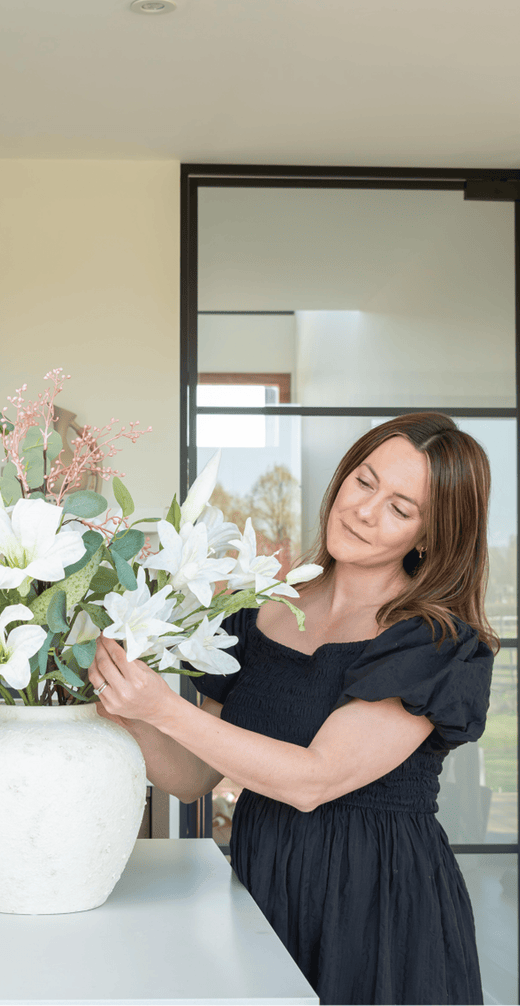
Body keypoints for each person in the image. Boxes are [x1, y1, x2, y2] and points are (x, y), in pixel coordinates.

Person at [89, 412, 496, 1006]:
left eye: (401, 508)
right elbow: (192, 777)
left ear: (428, 536)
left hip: (377, 903)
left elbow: (314, 779)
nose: (363, 509)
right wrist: (119, 700)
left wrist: (163, 707)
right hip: (263, 884)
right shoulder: (259, 614)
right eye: (364, 481)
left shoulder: (432, 642)